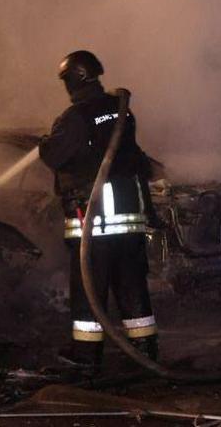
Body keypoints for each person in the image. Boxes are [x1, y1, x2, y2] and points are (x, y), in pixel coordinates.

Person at [38, 50, 158, 370]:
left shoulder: (75, 117)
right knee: (132, 285)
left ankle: (87, 357)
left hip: (95, 223)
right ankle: (145, 349)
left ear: (73, 80)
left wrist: (44, 142)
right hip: (129, 222)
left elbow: (54, 156)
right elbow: (130, 158)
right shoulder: (121, 113)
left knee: (89, 291)